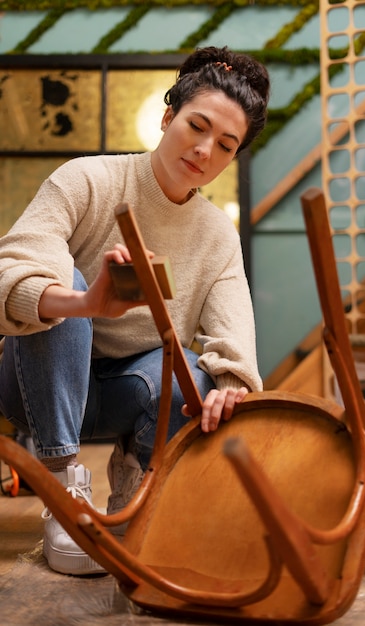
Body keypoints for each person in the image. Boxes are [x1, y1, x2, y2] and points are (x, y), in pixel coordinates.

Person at [0, 46, 270, 575]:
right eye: (197, 125)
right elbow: (12, 271)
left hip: (126, 393)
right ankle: (63, 488)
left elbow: (233, 336)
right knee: (65, 284)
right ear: (168, 117)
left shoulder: (217, 236)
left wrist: (233, 384)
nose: (204, 149)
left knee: (199, 373)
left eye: (225, 144)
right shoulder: (87, 179)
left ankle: (137, 486)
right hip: (32, 387)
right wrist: (84, 302)